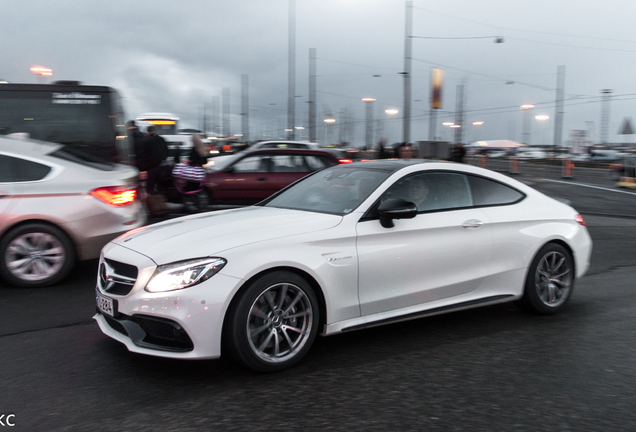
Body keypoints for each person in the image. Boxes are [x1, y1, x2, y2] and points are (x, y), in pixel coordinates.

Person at [142, 125, 169, 196]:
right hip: (162, 166)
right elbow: (166, 152)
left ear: (148, 131)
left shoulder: (145, 140)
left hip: (151, 167)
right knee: (161, 185)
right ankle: (161, 199)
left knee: (150, 187)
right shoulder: (162, 139)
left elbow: (143, 154)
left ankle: (153, 201)